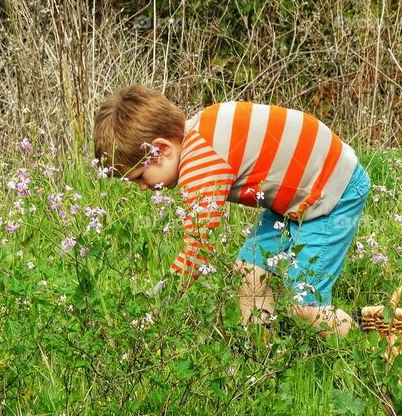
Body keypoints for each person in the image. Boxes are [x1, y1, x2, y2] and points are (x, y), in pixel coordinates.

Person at [93, 84, 370, 337]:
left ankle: (370, 344)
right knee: (248, 274)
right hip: (298, 196)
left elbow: (199, 247)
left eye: (141, 176)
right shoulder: (200, 130)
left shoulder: (199, 161)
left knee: (303, 307)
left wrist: (156, 307)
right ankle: (261, 353)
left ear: (162, 149)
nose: (142, 188)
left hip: (332, 193)